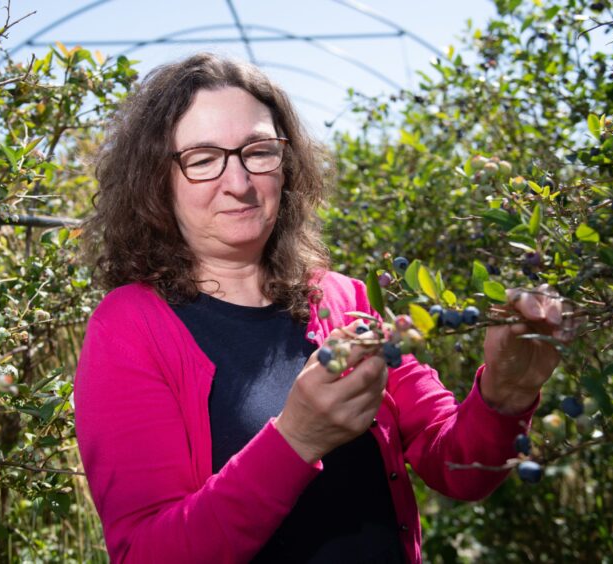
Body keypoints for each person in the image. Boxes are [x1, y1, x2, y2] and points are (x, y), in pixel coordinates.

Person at [75, 53, 574, 563]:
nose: (240, 182)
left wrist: (506, 394)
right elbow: (147, 552)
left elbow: (456, 467)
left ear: (286, 165)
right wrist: (294, 442)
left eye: (259, 151)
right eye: (203, 159)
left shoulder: (343, 300)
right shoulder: (130, 328)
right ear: (157, 182)